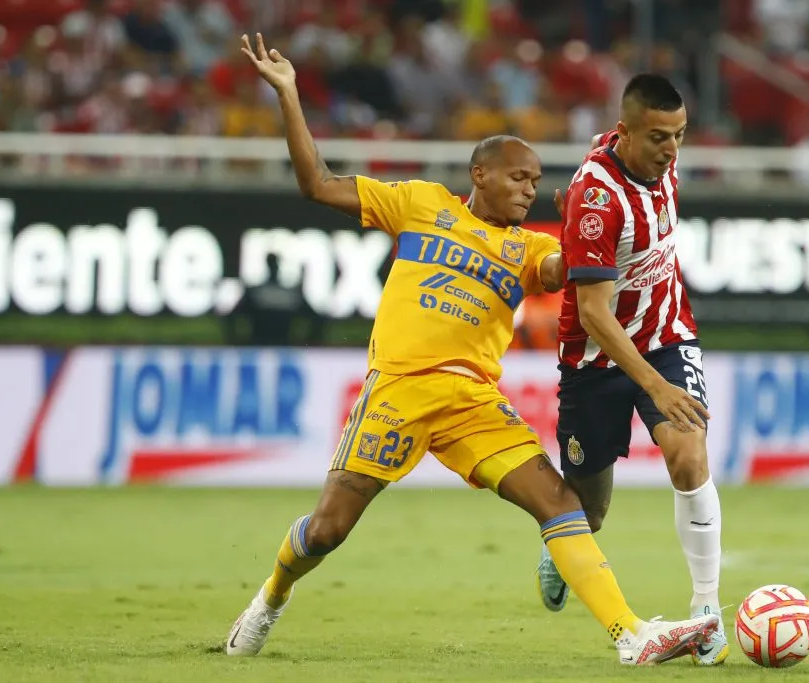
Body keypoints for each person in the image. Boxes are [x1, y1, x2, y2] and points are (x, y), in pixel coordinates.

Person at [227, 34, 718, 666]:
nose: (527, 191)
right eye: (518, 177)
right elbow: (317, 185)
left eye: (536, 182)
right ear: (479, 173)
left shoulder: (528, 248)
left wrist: (573, 227)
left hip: (472, 403)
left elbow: (572, 270)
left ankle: (630, 635)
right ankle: (271, 596)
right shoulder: (417, 204)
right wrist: (290, 94)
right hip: (398, 390)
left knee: (560, 503)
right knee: (328, 530)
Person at [534, 74, 729, 666]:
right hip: (596, 358)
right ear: (625, 133)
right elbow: (593, 313)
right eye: (658, 138)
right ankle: (565, 544)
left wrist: (665, 376)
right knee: (588, 509)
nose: (672, 150)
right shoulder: (597, 199)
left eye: (680, 135)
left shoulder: (654, 157)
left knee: (688, 454)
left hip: (669, 334)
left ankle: (706, 612)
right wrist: (654, 385)